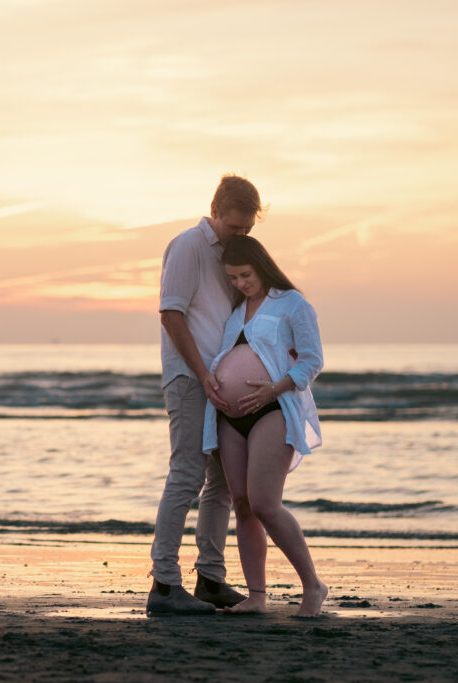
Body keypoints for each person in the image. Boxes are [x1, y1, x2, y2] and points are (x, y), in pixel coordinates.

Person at [147, 174, 265, 616]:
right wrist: (203, 374)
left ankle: (211, 578)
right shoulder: (188, 246)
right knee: (187, 474)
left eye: (248, 230)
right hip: (191, 379)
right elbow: (171, 315)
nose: (241, 236)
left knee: (223, 481)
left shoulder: (228, 255)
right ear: (215, 210)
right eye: (235, 227)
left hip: (221, 380)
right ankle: (163, 584)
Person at [201, 234, 327, 617]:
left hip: (273, 409)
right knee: (241, 504)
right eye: (233, 277)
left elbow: (312, 360)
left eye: (245, 274)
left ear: (262, 264)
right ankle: (257, 595)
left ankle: (313, 585)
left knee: (265, 503)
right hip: (230, 416)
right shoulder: (236, 311)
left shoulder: (292, 303)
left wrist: (273, 389)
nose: (240, 283)